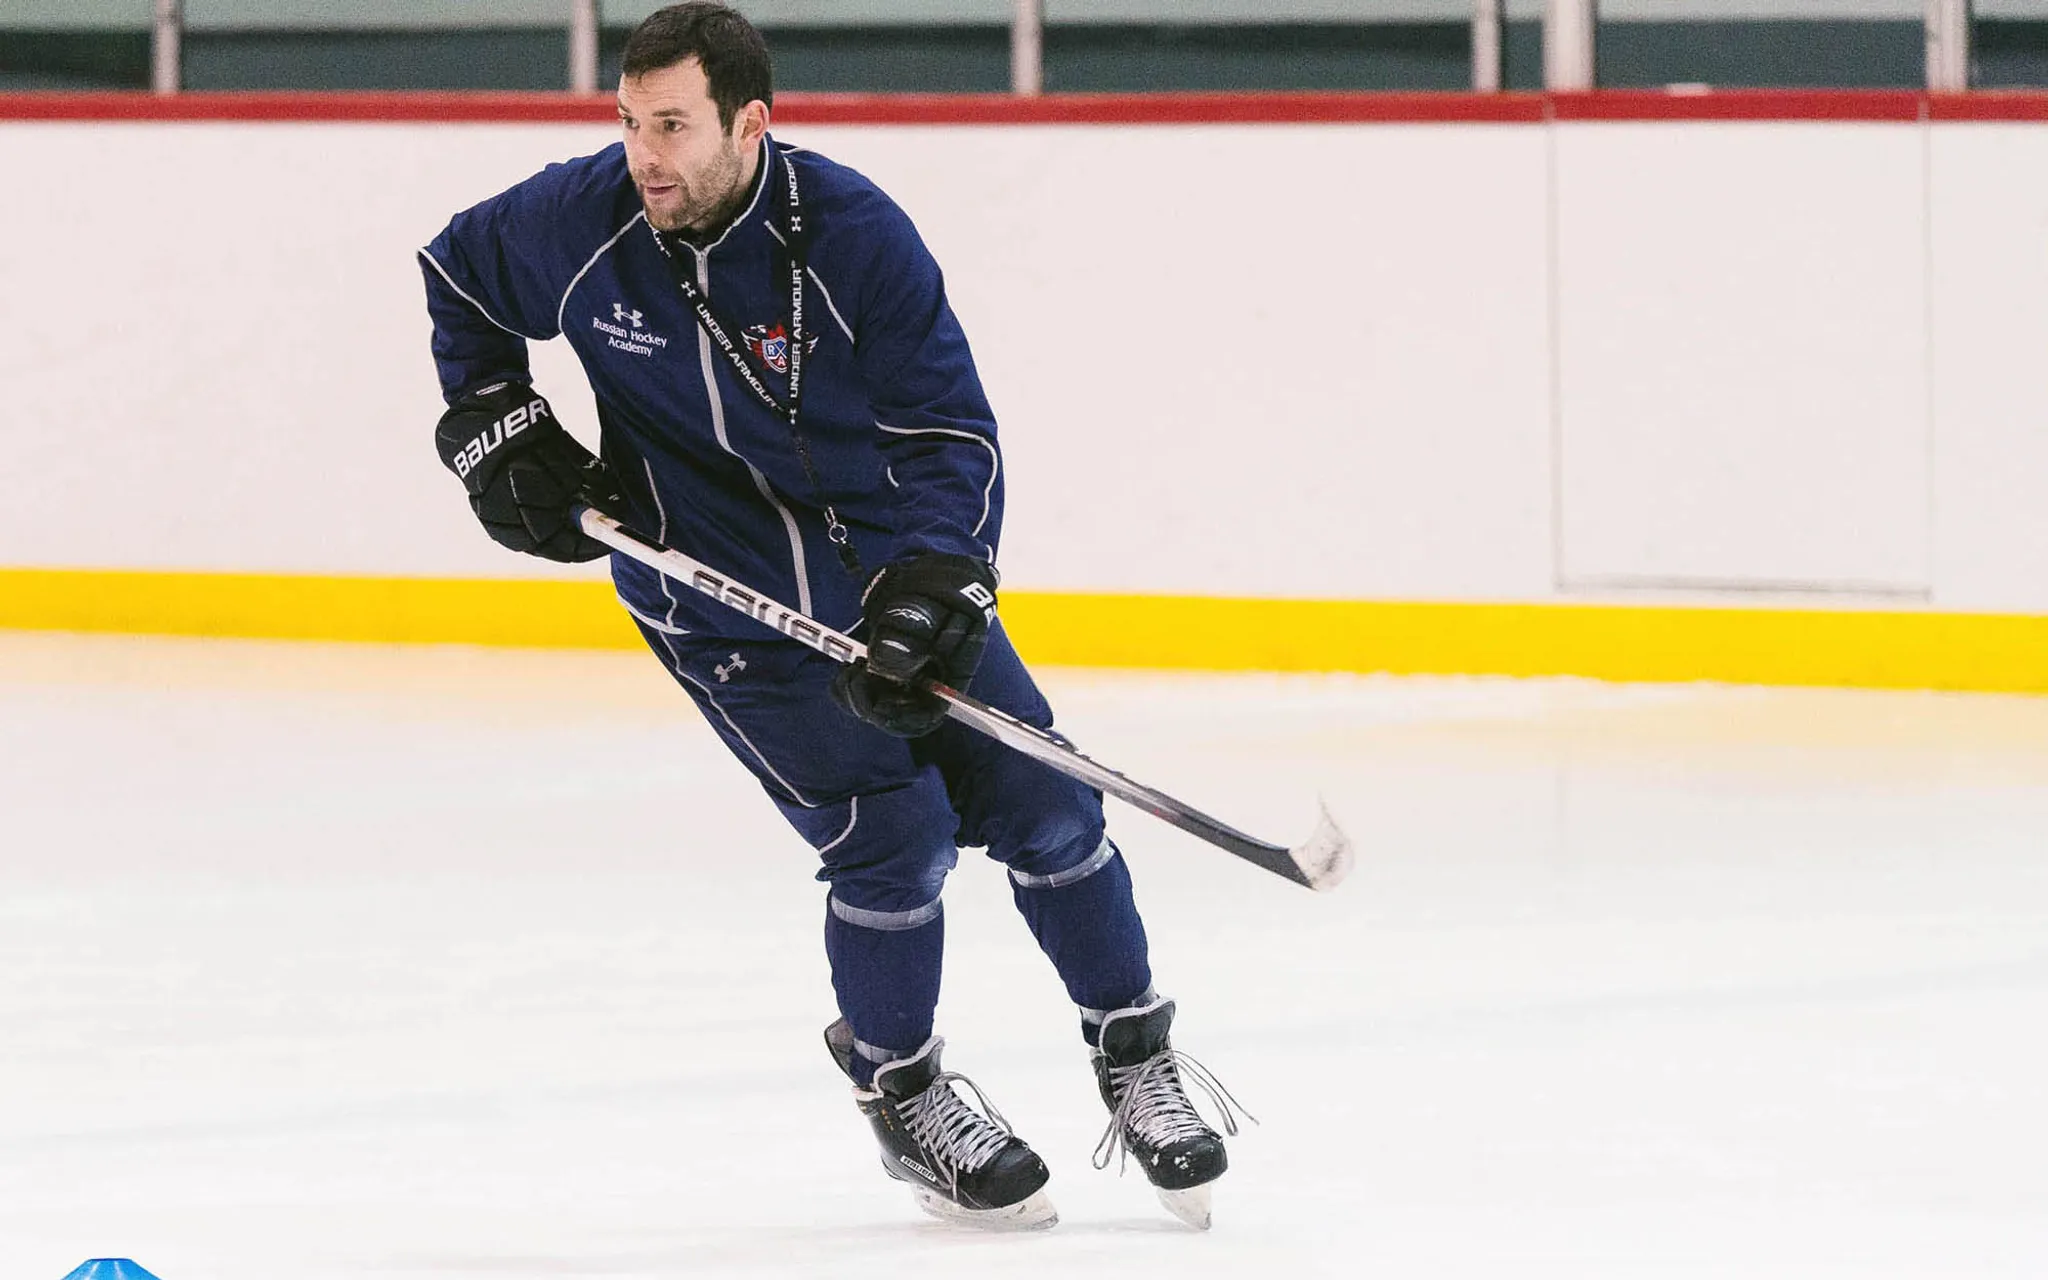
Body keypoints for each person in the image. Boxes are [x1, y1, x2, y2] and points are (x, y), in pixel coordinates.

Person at [419, 2, 1240, 1231]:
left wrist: (938, 583)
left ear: (751, 123)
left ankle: (1132, 1053)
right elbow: (455, 274)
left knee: (1051, 803)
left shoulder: (854, 234)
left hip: (883, 583)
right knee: (889, 836)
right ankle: (902, 1092)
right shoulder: (577, 222)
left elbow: (949, 430)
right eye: (630, 122)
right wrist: (493, 422)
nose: (644, 154)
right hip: (721, 607)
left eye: (674, 126)